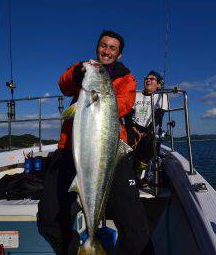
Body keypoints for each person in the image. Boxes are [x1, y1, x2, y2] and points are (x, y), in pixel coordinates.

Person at [37, 30, 151, 255]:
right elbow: (63, 84)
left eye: (112, 48)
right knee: (48, 218)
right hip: (71, 149)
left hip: (111, 150)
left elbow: (124, 105)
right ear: (97, 47)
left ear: (119, 55)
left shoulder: (127, 78)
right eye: (103, 45)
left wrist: (100, 90)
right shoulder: (83, 70)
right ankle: (78, 249)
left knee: (135, 225)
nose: (106, 51)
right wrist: (80, 75)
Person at [126, 71, 167, 182]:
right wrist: (134, 129)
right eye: (146, 78)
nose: (148, 80)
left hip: (150, 129)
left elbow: (158, 117)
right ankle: (127, 176)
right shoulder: (136, 94)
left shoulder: (162, 96)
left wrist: (146, 132)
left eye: (152, 79)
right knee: (127, 150)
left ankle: (142, 178)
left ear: (158, 84)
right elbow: (128, 114)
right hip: (134, 127)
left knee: (148, 146)